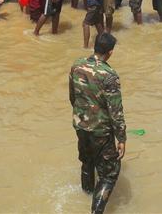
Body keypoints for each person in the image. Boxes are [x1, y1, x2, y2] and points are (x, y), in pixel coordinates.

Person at [68, 33, 126, 214]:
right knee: (109, 174)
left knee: (87, 161)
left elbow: (72, 96)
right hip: (100, 130)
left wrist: (81, 115)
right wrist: (121, 138)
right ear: (110, 53)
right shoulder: (109, 75)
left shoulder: (76, 65)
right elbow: (115, 110)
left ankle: (86, 194)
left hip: (80, 124)